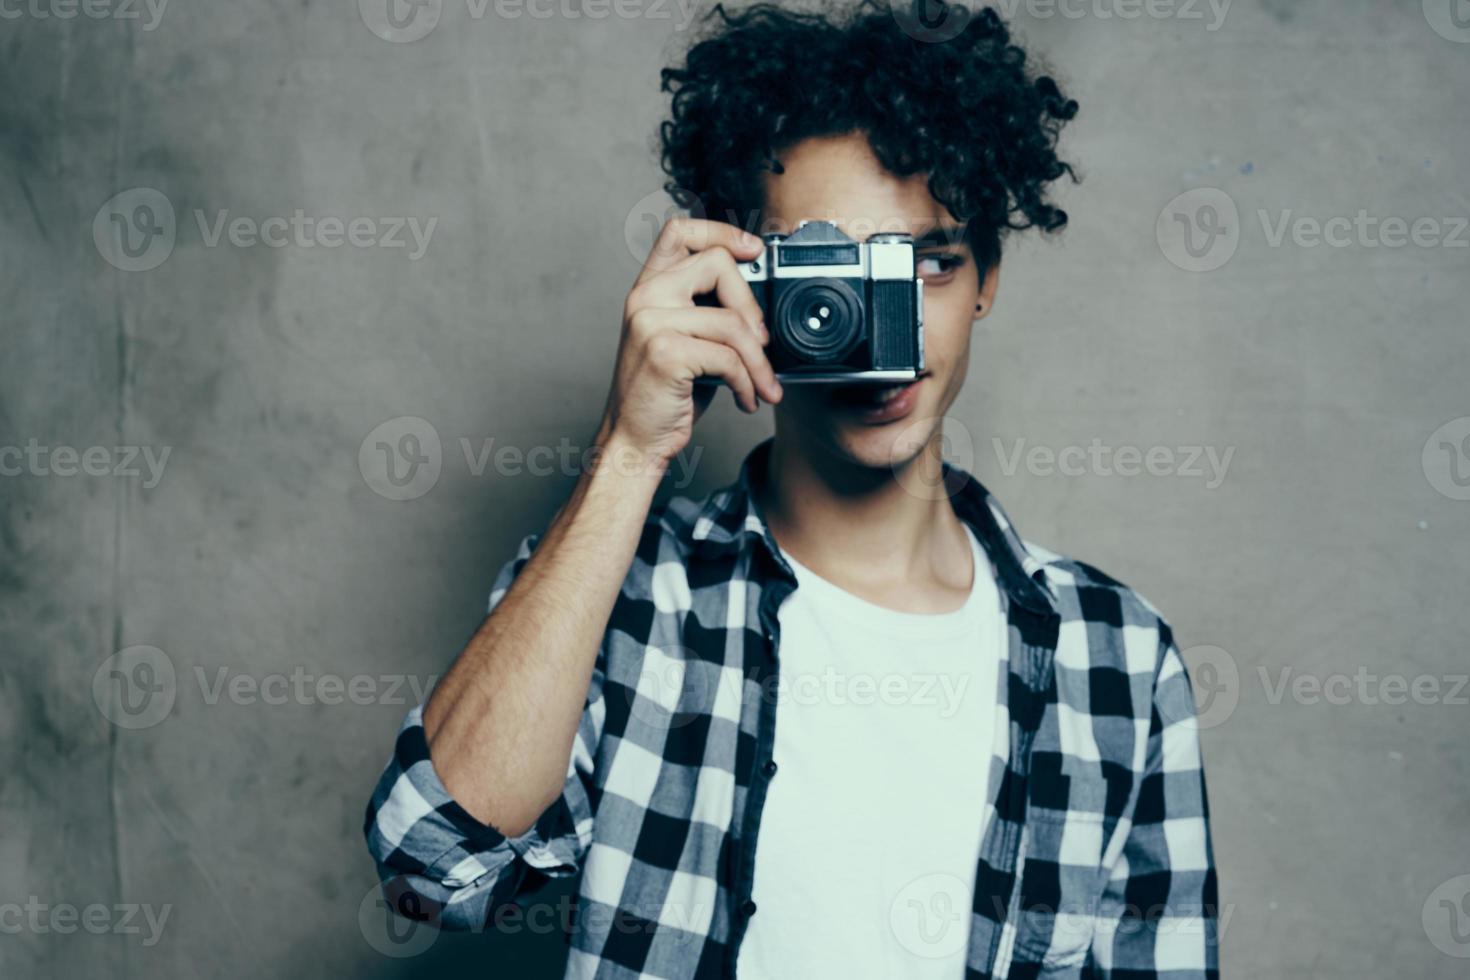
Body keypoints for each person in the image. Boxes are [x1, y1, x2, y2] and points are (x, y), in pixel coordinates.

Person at [364, 3, 1218, 977]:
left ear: (987, 274)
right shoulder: (629, 596)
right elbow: (432, 867)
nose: (883, 332)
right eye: (834, 276)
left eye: (927, 263)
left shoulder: (1115, 657)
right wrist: (627, 451)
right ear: (743, 281)